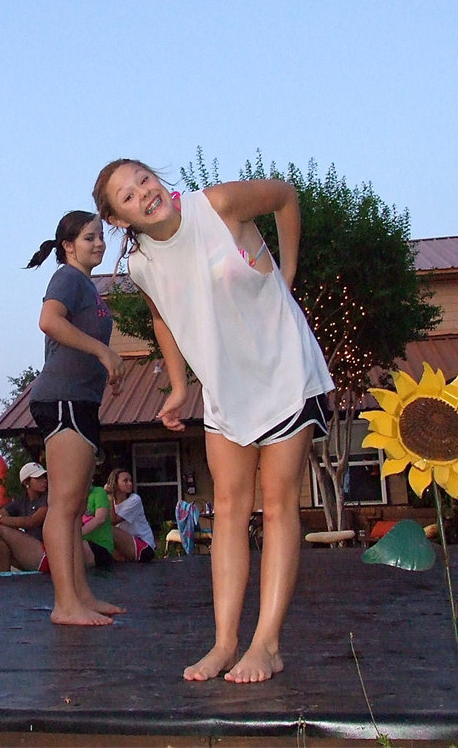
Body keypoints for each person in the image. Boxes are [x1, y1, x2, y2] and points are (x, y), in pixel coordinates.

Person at [94, 160, 334, 683]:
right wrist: (179, 386)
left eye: (143, 180)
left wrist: (288, 274)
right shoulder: (141, 266)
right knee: (226, 509)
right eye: (127, 197)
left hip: (282, 368)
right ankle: (226, 643)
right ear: (118, 219)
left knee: (276, 504)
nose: (143, 193)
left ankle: (266, 645)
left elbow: (286, 197)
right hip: (227, 387)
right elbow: (162, 315)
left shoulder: (217, 205)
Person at [26, 210, 125, 626]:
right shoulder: (67, 277)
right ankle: (65, 604)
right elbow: (48, 321)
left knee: (77, 503)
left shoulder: (87, 284)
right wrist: (103, 352)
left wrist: (105, 371)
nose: (99, 243)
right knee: (63, 507)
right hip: (62, 398)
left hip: (81, 399)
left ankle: (82, 595)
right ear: (68, 246)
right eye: (89, 238)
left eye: (101, 236)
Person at [0, 461, 51, 573]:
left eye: (44, 477)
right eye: (38, 478)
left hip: (45, 553)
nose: (44, 481)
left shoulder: (47, 499)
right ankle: (1, 574)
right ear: (26, 482)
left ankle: (3, 576)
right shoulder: (22, 501)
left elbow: (31, 522)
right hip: (29, 553)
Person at [105, 469, 156, 563]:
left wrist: (110, 497)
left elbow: (113, 520)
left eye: (130, 480)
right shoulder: (111, 503)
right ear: (115, 484)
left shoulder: (134, 500)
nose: (130, 483)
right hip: (125, 545)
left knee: (109, 530)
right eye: (125, 481)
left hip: (144, 547)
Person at [81, 483, 114, 569]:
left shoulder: (99, 492)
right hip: (85, 544)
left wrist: (76, 534)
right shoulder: (74, 497)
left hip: (101, 547)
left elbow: (100, 519)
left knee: (75, 544)